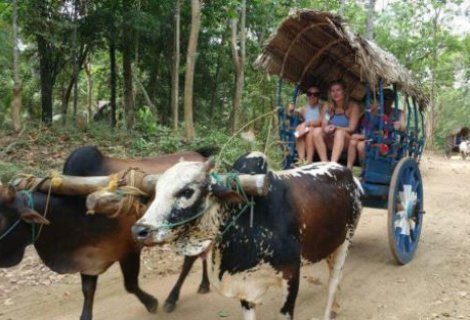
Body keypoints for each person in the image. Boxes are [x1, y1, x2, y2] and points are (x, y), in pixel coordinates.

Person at [347, 90, 406, 169]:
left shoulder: (390, 115)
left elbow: (384, 134)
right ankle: (348, 169)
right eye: (384, 98)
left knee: (361, 145)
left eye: (389, 98)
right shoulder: (369, 114)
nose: (386, 101)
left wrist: (399, 126)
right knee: (353, 142)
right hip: (369, 140)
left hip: (384, 143)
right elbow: (359, 127)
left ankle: (365, 170)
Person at [312, 80, 361, 163]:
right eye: (333, 91)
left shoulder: (353, 106)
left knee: (339, 132)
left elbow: (351, 129)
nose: (335, 93)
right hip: (330, 139)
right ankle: (324, 162)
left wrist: (336, 128)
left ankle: (333, 163)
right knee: (316, 131)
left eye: (338, 90)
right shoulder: (327, 105)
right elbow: (323, 122)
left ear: (344, 92)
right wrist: (325, 128)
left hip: (345, 142)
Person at [288, 86, 323, 164]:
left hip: (317, 130)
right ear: (307, 95)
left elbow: (321, 121)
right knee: (298, 132)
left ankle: (309, 160)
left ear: (319, 96)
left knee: (308, 132)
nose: (312, 96)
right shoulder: (304, 108)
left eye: (315, 94)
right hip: (305, 130)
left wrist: (307, 123)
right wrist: (291, 109)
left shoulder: (322, 107)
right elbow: (292, 112)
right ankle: (301, 160)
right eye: (309, 94)